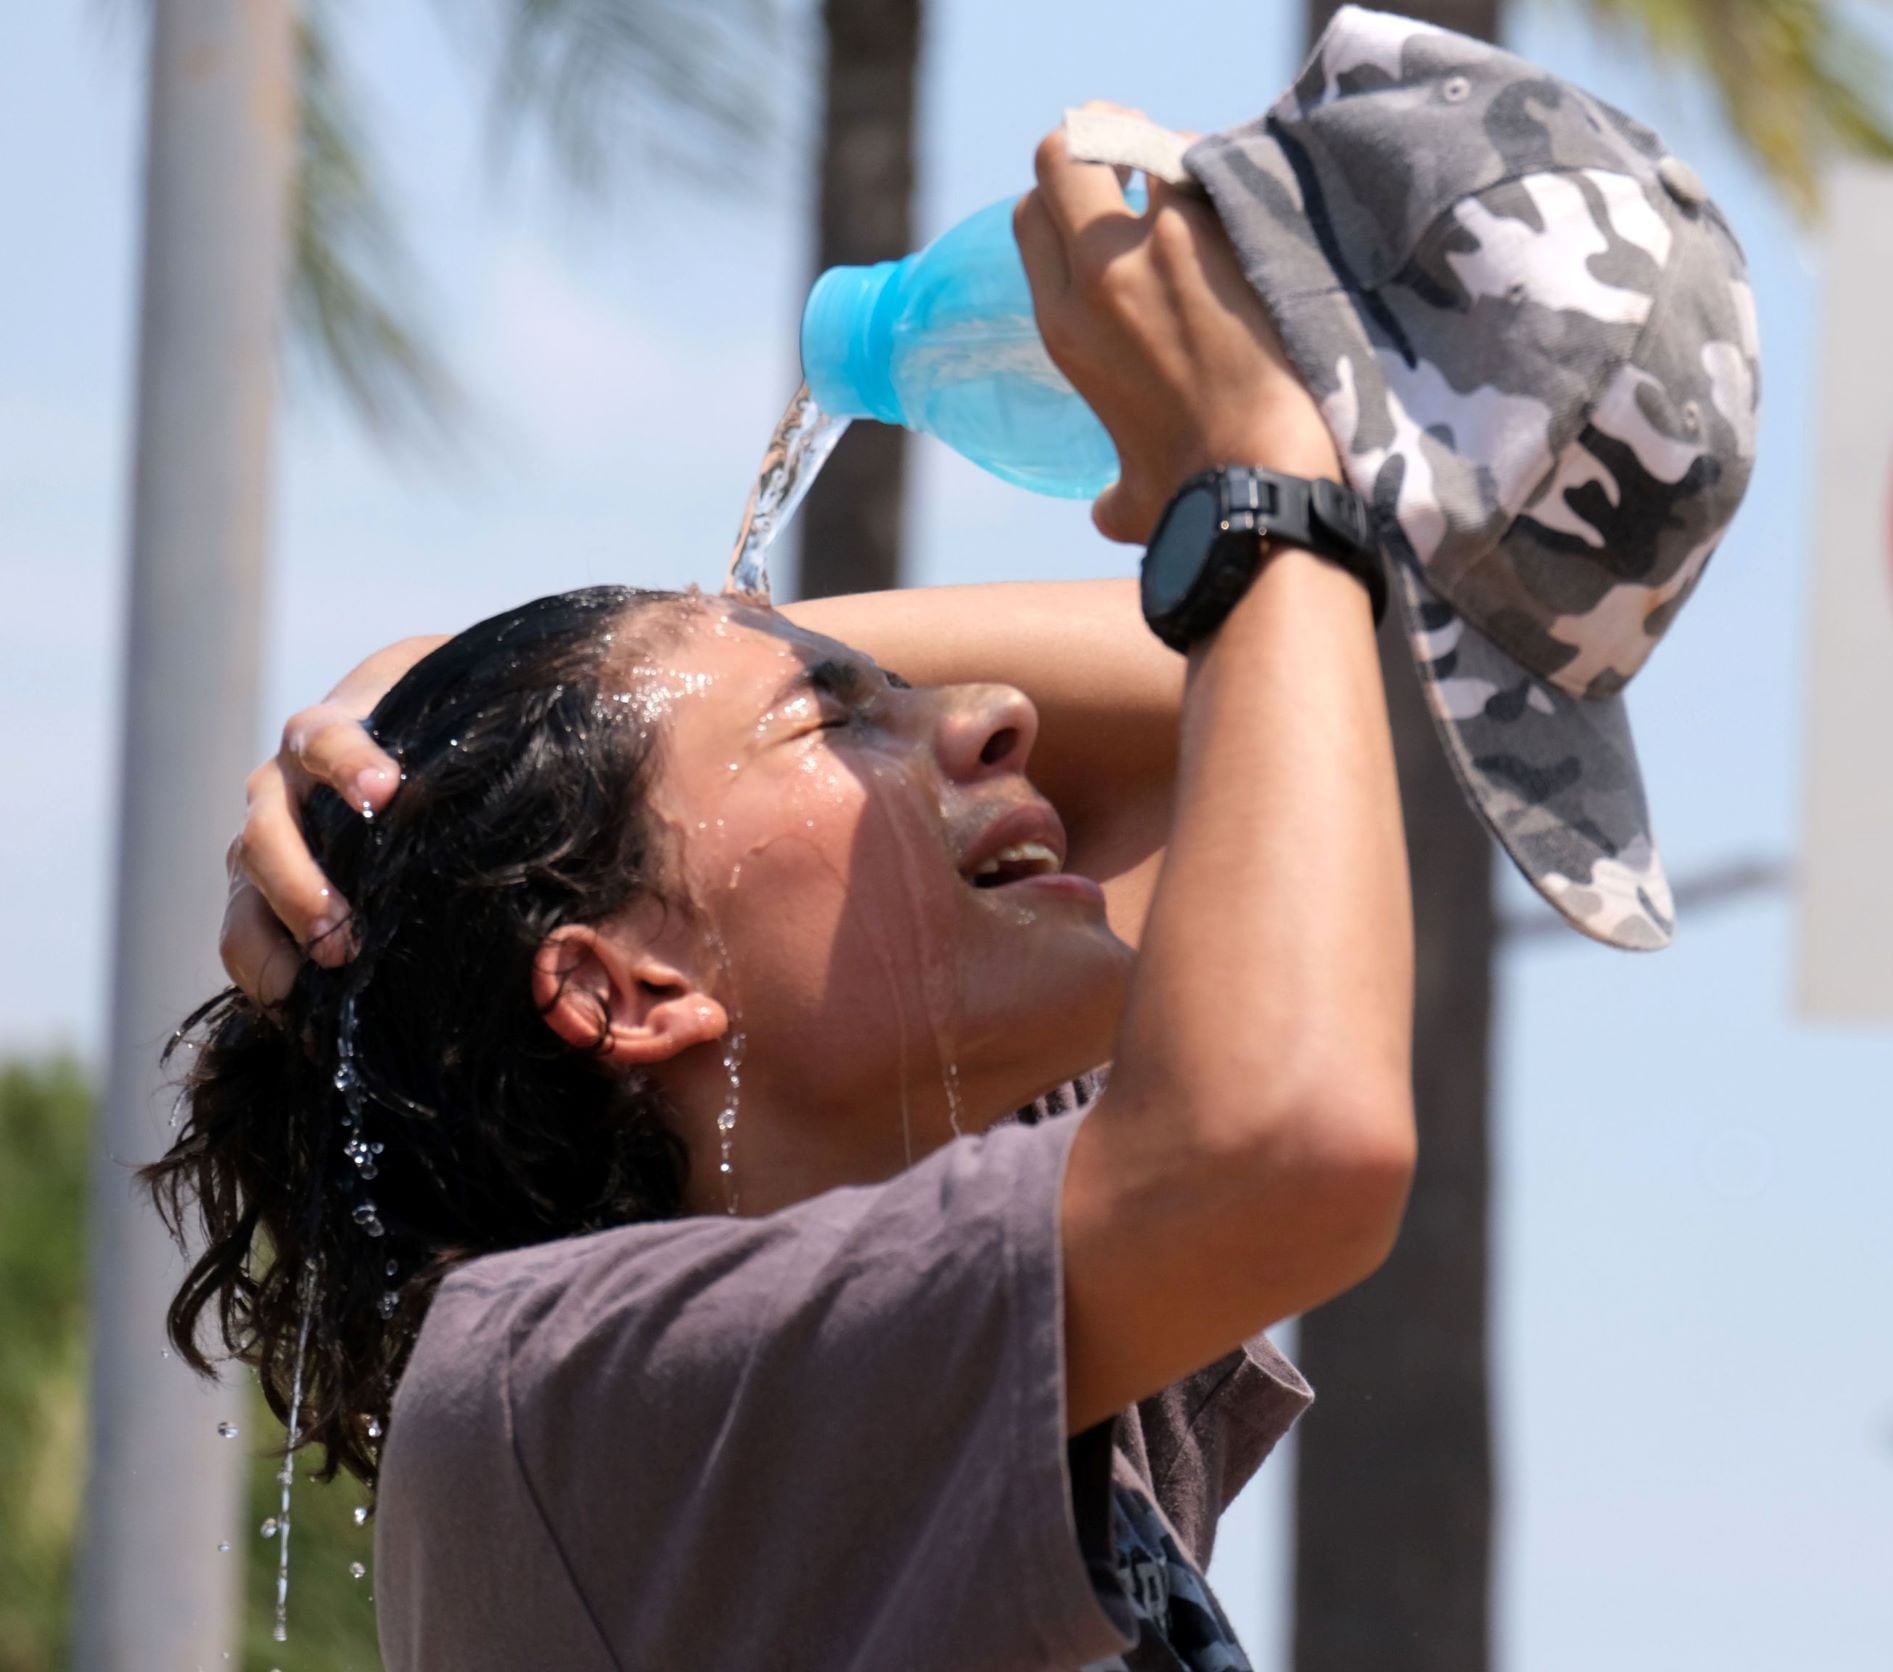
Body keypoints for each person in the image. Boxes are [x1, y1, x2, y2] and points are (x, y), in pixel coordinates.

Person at [157, 114, 1414, 1671]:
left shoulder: (929, 1281)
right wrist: (1257, 479)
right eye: (841, 726)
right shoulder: (567, 1391)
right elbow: (1291, 1126)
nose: (996, 711)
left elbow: (1260, 688)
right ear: (623, 986)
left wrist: (568, 669)